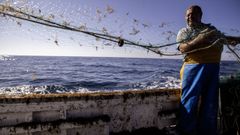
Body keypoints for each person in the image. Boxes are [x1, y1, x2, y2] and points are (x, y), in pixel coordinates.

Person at [176, 5, 240, 135]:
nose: (190, 17)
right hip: (192, 68)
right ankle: (187, 132)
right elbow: (182, 48)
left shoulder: (212, 30)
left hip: (213, 69)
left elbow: (224, 39)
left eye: (193, 14)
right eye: (188, 15)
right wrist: (200, 39)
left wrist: (236, 39)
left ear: (200, 16)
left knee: (210, 104)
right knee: (190, 101)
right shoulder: (184, 32)